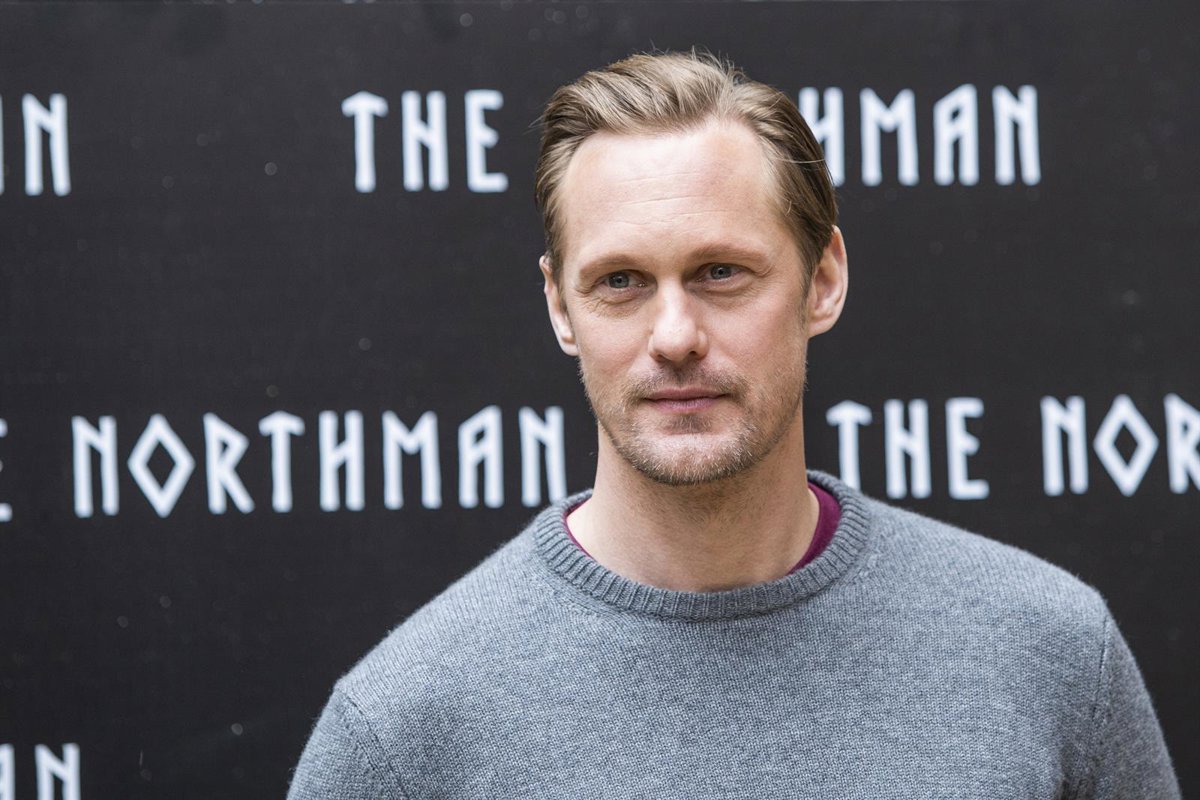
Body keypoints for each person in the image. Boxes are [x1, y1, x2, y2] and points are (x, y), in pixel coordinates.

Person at [288, 51, 1179, 799]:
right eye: (620, 282)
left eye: (720, 273)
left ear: (823, 280)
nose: (675, 336)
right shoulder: (406, 732)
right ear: (561, 307)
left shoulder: (1049, 653)